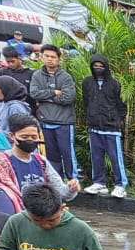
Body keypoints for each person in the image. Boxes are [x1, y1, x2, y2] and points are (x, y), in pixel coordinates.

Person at [28, 43, 77, 183]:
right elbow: (34, 93)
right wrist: (54, 93)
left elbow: (68, 98)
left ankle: (72, 180)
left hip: (64, 122)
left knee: (67, 153)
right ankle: (57, 181)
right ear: (41, 57)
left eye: (53, 57)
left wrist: (45, 98)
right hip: (46, 120)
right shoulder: (37, 75)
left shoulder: (66, 77)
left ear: (59, 59)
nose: (50, 59)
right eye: (47, 56)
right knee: (51, 155)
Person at [80, 53, 127, 197]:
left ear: (106, 67)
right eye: (95, 66)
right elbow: (86, 101)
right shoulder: (87, 82)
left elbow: (121, 105)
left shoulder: (114, 84)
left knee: (115, 158)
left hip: (111, 127)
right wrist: (91, 117)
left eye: (101, 66)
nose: (98, 68)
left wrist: (117, 120)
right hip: (94, 127)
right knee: (96, 157)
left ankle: (120, 185)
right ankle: (99, 183)